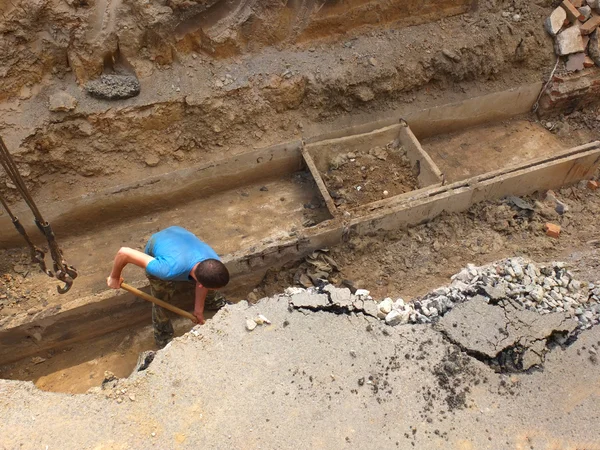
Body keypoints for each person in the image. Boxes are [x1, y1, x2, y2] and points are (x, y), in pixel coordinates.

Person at [107, 226, 229, 347]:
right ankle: (163, 336)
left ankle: (214, 302)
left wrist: (198, 310)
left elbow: (203, 284)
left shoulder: (213, 262)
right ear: (200, 284)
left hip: (178, 234)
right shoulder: (166, 270)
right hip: (158, 242)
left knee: (211, 280)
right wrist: (114, 277)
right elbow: (124, 253)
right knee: (161, 296)